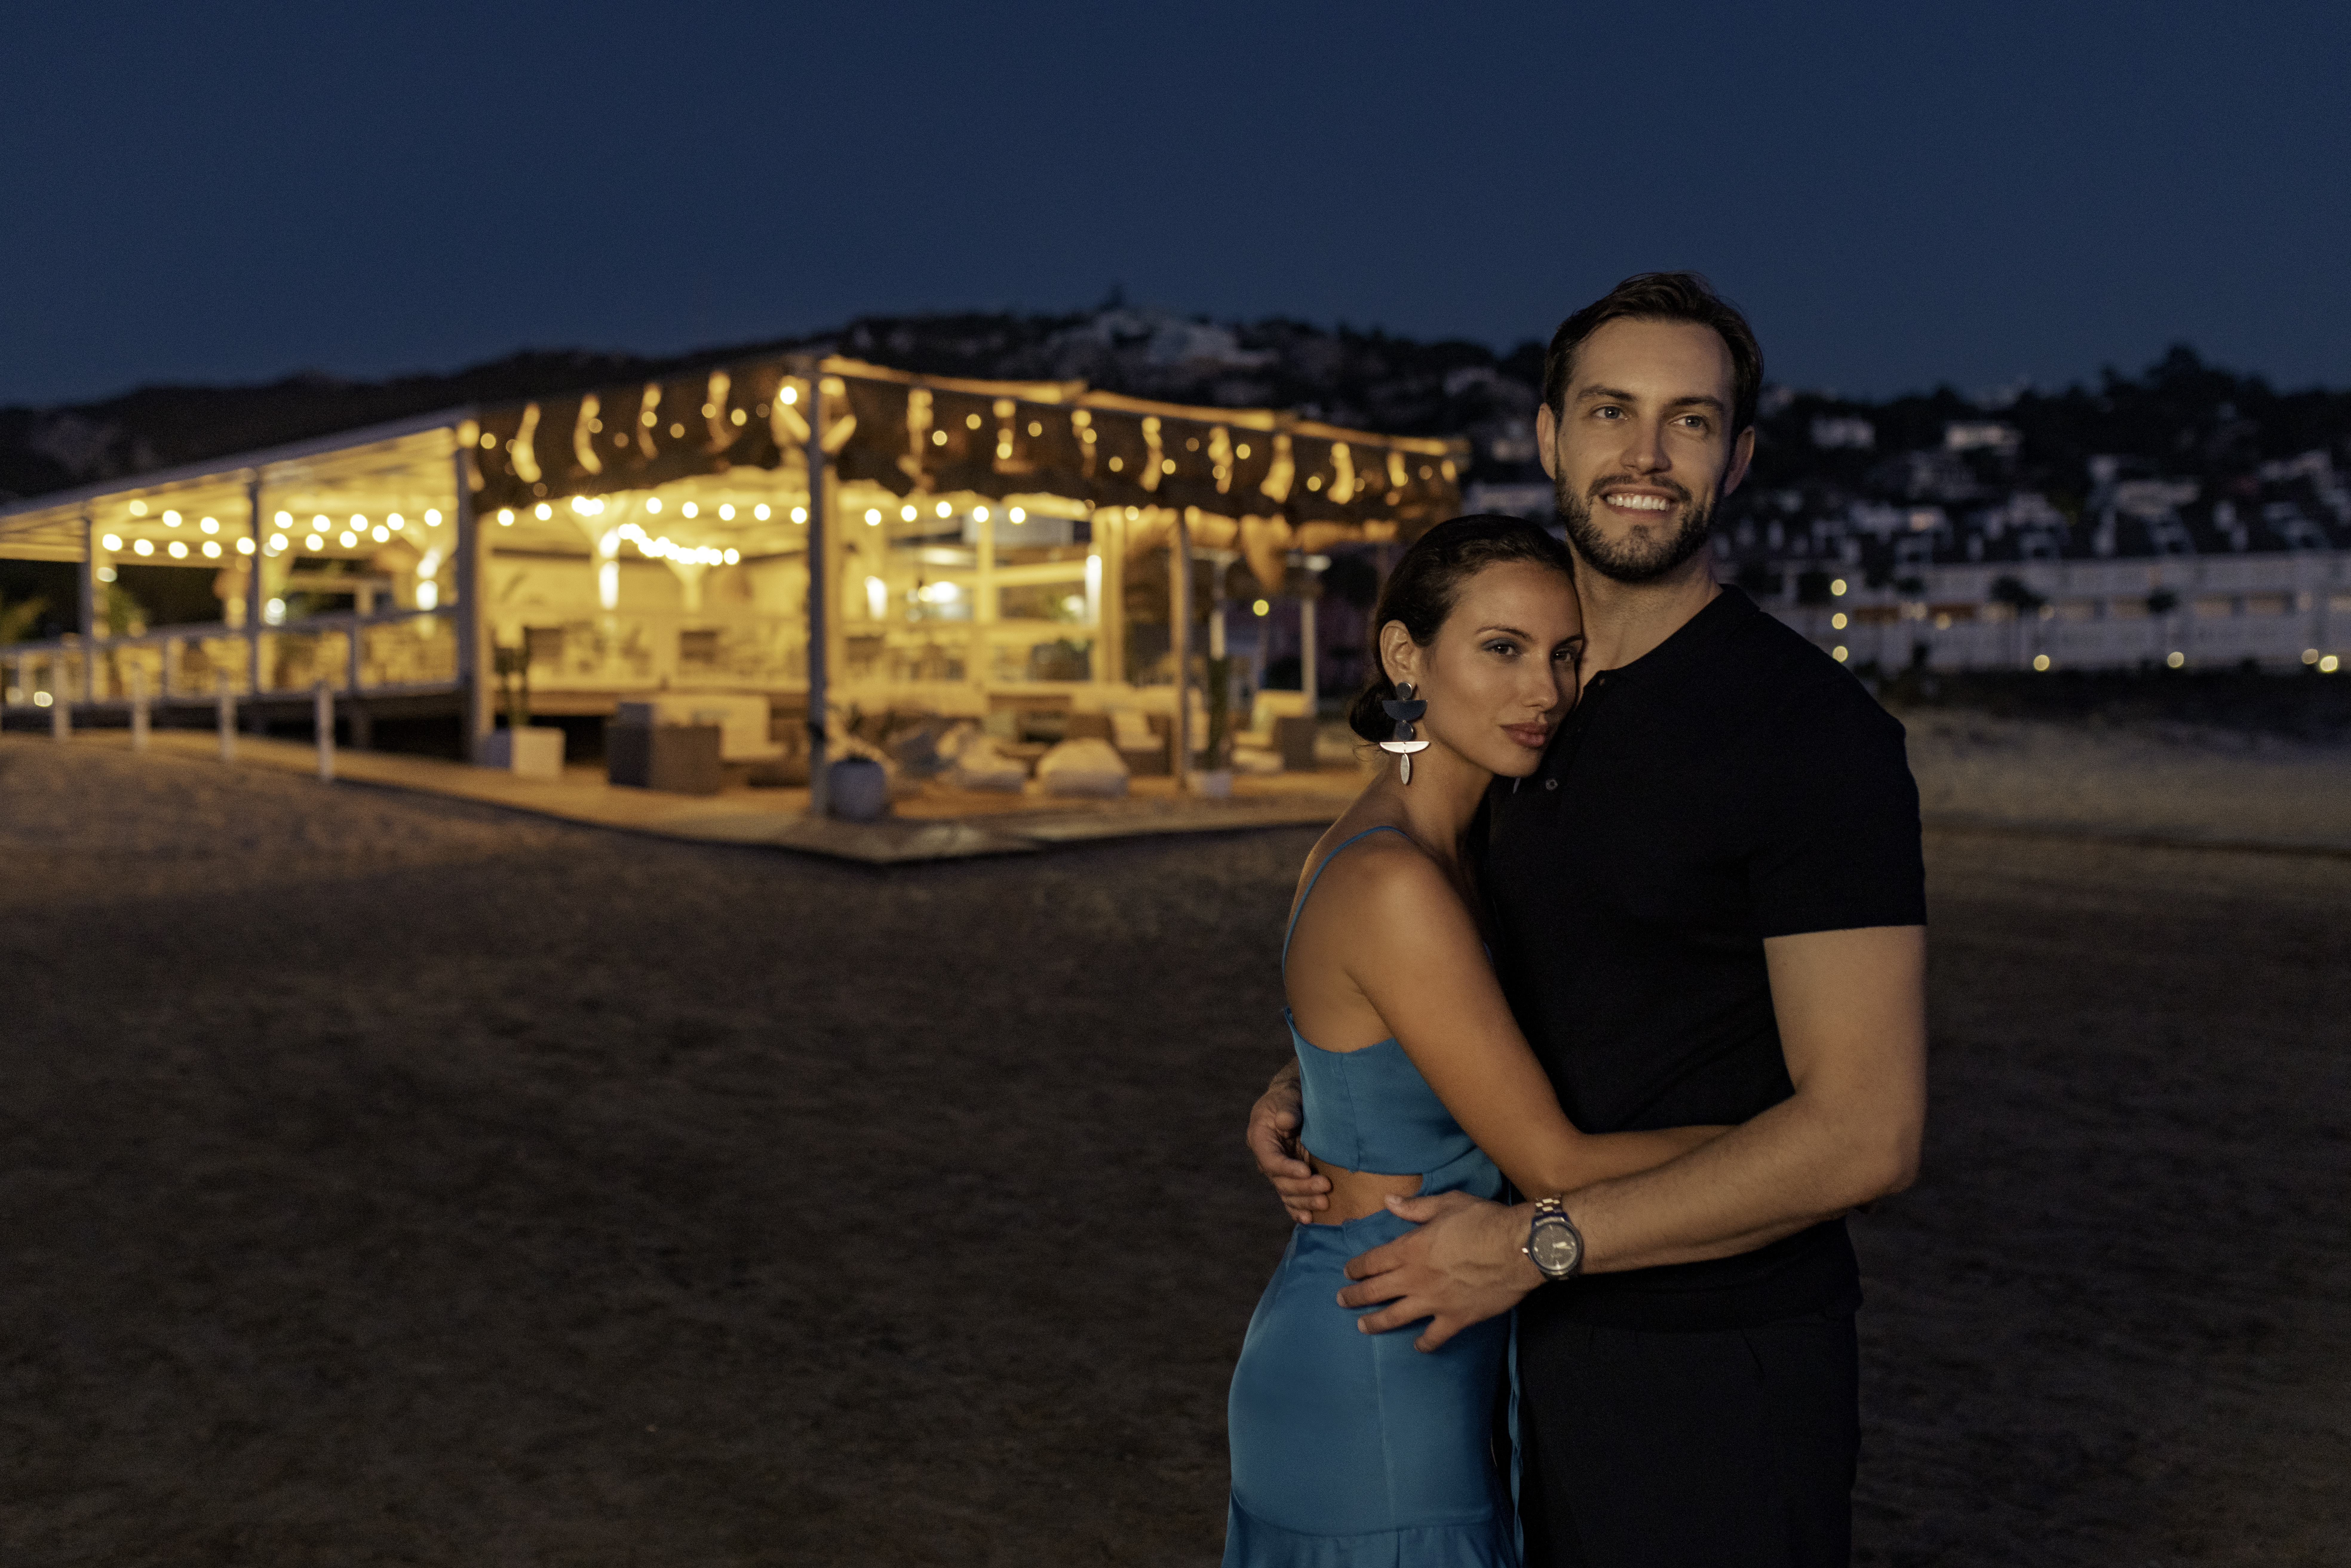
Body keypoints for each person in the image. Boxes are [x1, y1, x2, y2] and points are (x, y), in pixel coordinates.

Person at [1248, 272, 1928, 1566]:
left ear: (1737, 459)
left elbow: (1869, 1132)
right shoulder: (1505, 717)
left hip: (1707, 1363)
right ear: (1550, 435)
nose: (1646, 454)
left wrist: (1536, 1241)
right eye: (1613, 410)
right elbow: (1479, 957)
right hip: (1492, 1351)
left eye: (1690, 420)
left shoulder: (1813, 741)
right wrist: (1329, 1080)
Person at [1223, 514, 1726, 1565]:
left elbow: (1369, 1029)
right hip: (1380, 1350)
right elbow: (1556, 1165)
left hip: (1425, 1324)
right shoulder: (1397, 877)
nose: (1542, 690)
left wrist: (1300, 1083)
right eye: (1501, 649)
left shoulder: (1455, 841)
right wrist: (1806, 1143)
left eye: (1564, 653)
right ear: (1406, 656)